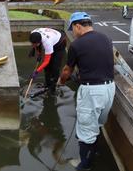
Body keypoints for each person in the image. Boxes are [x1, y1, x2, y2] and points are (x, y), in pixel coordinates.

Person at [57, 12, 115, 170]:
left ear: (77, 26)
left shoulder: (77, 45)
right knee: (96, 124)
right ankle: (93, 153)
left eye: (72, 29)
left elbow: (67, 70)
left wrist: (61, 82)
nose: (72, 33)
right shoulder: (105, 38)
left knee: (85, 132)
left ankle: (84, 165)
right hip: (110, 88)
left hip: (92, 92)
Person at [29, 27, 66, 95]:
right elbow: (37, 46)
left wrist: (37, 71)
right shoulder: (33, 33)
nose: (33, 45)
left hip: (60, 42)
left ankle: (53, 88)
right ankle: (47, 84)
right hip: (52, 35)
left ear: (40, 42)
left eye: (35, 44)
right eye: (32, 44)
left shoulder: (47, 42)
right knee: (47, 67)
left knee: (55, 67)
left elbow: (46, 61)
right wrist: (39, 54)